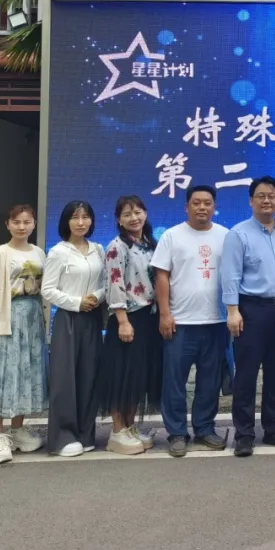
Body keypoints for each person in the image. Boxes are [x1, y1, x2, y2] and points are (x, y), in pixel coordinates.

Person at [221, 176, 275, 458]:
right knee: (246, 374)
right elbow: (230, 274)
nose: (267, 200)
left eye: (272, 196)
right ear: (251, 201)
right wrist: (232, 311)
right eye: (261, 196)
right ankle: (244, 434)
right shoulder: (238, 234)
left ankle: (274, 428)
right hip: (251, 310)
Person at [153, 185, 231, 458]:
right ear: (186, 206)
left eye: (207, 203)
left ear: (214, 207)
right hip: (180, 322)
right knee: (175, 382)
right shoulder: (172, 236)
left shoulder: (226, 236)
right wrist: (165, 314)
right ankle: (176, 433)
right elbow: (161, 276)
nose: (202, 207)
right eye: (196, 203)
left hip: (216, 322)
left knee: (209, 381)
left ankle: (204, 428)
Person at [0, 204, 48, 465]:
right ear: (7, 224)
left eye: (27, 222)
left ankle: (17, 430)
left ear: (34, 224)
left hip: (33, 319)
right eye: (16, 222)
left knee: (25, 372)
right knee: (1, 374)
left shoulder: (39, 252)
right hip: (8, 317)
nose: (21, 226)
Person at [98, 195, 161, 456]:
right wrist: (123, 321)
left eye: (137, 212)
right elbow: (115, 285)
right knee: (121, 375)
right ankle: (117, 431)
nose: (134, 218)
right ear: (119, 220)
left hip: (149, 317)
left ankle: (130, 427)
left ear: (145, 214)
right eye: (127, 214)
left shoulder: (150, 245)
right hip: (127, 318)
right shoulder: (117, 247)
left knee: (137, 376)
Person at [43, 200, 105, 458]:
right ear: (66, 221)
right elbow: (47, 290)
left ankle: (85, 433)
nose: (81, 222)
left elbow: (105, 282)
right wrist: (76, 302)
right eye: (75, 217)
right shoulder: (58, 252)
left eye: (85, 216)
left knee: (89, 376)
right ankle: (63, 437)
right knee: (65, 378)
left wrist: (97, 298)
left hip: (92, 318)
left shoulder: (98, 249)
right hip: (68, 319)